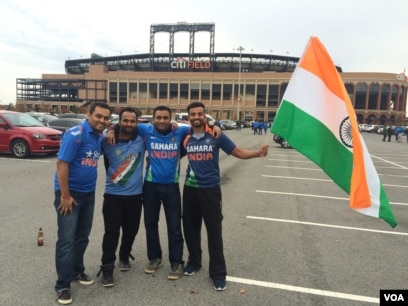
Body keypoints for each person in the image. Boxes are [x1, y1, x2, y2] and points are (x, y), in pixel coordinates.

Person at [106, 106, 221, 280]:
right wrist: (111, 130)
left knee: (174, 226)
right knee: (150, 224)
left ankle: (176, 261)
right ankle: (155, 258)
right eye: (158, 117)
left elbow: (199, 123)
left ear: (171, 119)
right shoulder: (145, 129)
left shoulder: (181, 129)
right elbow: (124, 124)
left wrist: (215, 124)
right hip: (150, 186)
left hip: (172, 187)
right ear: (152, 119)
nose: (161, 120)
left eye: (165, 117)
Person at [181, 101, 269, 291]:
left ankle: (218, 273)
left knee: (214, 232)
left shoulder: (215, 135)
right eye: (193, 114)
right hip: (189, 189)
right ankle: (194, 262)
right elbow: (171, 147)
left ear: (205, 116)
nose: (196, 117)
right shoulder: (185, 136)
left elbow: (237, 152)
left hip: (210, 190)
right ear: (188, 117)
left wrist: (257, 154)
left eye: (200, 114)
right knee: (190, 229)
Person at [53, 101, 112, 305]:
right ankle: (62, 285)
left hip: (88, 194)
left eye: (106, 118)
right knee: (67, 240)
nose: (102, 121)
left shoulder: (98, 136)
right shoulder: (75, 134)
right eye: (99, 116)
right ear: (89, 114)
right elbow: (61, 163)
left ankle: (77, 271)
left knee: (82, 237)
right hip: (70, 195)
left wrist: (111, 131)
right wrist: (65, 195)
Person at [97, 107, 145, 287]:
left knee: (131, 230)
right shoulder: (106, 140)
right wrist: (110, 130)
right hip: (113, 196)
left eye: (132, 121)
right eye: (125, 120)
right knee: (111, 233)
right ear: (119, 121)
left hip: (135, 196)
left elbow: (170, 130)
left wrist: (214, 124)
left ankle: (124, 255)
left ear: (137, 123)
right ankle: (107, 268)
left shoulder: (142, 139)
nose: (129, 124)